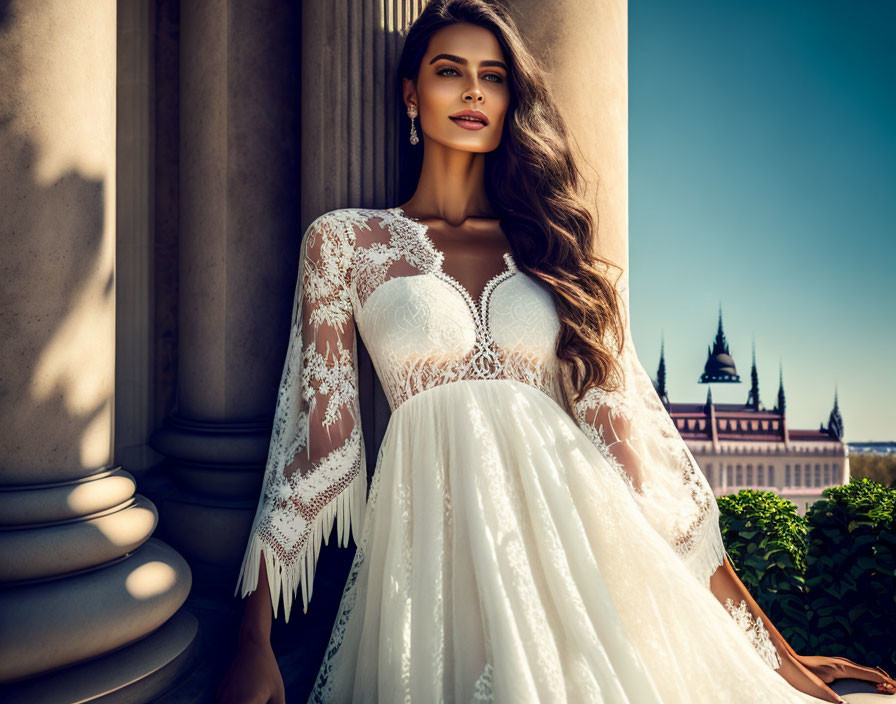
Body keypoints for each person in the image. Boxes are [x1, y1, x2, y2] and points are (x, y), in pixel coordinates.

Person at [217, 1, 896, 702]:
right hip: (430, 572)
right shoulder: (344, 242)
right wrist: (251, 638)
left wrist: (775, 658)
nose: (475, 91)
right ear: (411, 94)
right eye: (450, 71)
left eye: (494, 76)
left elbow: (643, 481)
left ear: (513, 100)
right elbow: (317, 448)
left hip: (583, 568)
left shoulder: (556, 252)